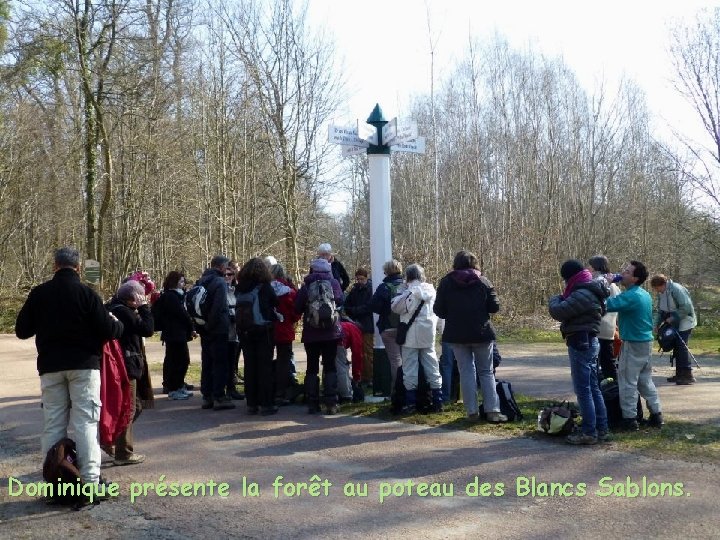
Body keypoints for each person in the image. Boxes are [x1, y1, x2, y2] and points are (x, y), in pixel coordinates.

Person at [15, 247, 124, 486]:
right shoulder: (87, 294)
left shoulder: (39, 294)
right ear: (78, 268)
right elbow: (109, 330)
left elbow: (22, 330)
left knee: (53, 423)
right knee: (85, 422)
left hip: (51, 366)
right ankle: (90, 481)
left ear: (55, 266)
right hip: (84, 366)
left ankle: (55, 481)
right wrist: (117, 324)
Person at [434, 250, 507, 423]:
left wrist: (453, 312)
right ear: (474, 263)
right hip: (482, 332)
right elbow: (494, 307)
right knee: (486, 372)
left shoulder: (446, 282)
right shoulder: (483, 281)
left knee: (466, 371)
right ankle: (492, 411)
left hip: (457, 334)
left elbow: (438, 310)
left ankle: (471, 411)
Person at [548, 259, 610, 445]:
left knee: (583, 390)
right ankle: (601, 429)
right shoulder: (591, 289)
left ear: (570, 277)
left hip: (581, 341)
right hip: (590, 340)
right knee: (593, 387)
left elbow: (559, 311)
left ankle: (589, 432)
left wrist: (555, 298)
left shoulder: (583, 292)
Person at [606, 260, 664, 430]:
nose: (622, 273)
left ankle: (629, 420)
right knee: (645, 381)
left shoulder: (631, 296)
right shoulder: (643, 294)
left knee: (627, 381)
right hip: (646, 342)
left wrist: (607, 285)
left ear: (635, 278)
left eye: (627, 272)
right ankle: (656, 415)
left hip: (633, 343)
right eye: (624, 270)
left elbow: (606, 306)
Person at [107, 280, 155, 465]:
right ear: (133, 298)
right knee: (129, 408)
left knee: (134, 406)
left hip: (125, 363)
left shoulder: (115, 307)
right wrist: (144, 308)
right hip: (127, 364)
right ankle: (123, 451)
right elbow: (148, 329)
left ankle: (114, 441)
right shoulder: (123, 312)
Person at [390, 264, 443, 413]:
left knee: (410, 370)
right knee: (432, 367)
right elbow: (439, 314)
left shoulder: (409, 293)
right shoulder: (432, 291)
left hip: (410, 336)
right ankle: (438, 401)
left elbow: (395, 307)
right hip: (428, 335)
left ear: (408, 277)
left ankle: (411, 403)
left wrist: (403, 290)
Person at [295, 258, 344, 414]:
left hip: (311, 333)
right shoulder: (334, 283)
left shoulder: (307, 285)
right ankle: (331, 403)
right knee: (330, 366)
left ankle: (312, 403)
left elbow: (297, 307)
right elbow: (341, 300)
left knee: (311, 367)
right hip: (331, 332)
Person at [236, 257, 279, 415]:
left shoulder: (240, 287)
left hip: (245, 331)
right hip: (263, 330)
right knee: (264, 367)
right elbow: (275, 302)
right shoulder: (265, 287)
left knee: (250, 366)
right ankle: (266, 403)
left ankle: (251, 403)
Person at [197, 255, 235, 411]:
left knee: (207, 361)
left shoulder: (201, 281)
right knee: (220, 362)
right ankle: (219, 396)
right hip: (217, 328)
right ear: (221, 267)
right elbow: (219, 307)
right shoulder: (219, 282)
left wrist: (204, 326)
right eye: (226, 267)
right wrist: (212, 325)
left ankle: (207, 396)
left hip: (204, 327)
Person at [650, 274, 698, 385]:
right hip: (673, 321)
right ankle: (679, 374)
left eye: (657, 288)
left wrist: (673, 317)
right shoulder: (662, 293)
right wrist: (656, 324)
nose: (657, 291)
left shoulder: (676, 289)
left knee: (682, 346)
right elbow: (661, 311)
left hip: (686, 321)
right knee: (676, 346)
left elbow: (686, 307)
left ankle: (687, 375)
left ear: (662, 284)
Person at [155, 271, 195, 400]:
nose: (183, 284)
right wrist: (191, 326)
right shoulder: (171, 296)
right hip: (174, 333)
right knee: (179, 360)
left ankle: (178, 385)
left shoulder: (174, 296)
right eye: (181, 282)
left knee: (179, 360)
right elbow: (181, 314)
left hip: (176, 333)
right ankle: (174, 388)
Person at [269, 263, 302, 404]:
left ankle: (267, 390)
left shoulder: (264, 289)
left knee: (266, 360)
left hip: (267, 329)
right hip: (284, 329)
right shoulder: (289, 291)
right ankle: (281, 392)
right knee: (284, 361)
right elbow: (296, 311)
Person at [370, 259, 404, 394]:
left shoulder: (383, 287)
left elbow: (373, 306)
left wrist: (385, 311)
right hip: (405, 328)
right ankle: (410, 389)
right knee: (408, 359)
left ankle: (397, 391)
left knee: (395, 361)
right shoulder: (406, 286)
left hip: (388, 328)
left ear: (386, 272)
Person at [588, 255, 621, 380]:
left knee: (606, 361)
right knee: (606, 360)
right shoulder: (612, 285)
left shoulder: (604, 284)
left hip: (602, 326)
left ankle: (612, 388)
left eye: (590, 266)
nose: (588, 269)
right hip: (608, 326)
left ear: (596, 267)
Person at [343, 268, 374, 387]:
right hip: (356, 324)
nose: (360, 281)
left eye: (362, 279)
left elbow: (368, 307)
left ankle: (369, 377)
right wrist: (352, 311)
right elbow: (347, 305)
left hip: (367, 324)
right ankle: (361, 376)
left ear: (366, 278)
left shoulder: (370, 289)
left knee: (368, 352)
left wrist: (354, 311)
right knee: (358, 352)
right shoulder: (355, 290)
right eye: (358, 279)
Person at [224, 261, 245, 400]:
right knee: (227, 359)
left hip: (236, 328)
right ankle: (229, 387)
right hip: (226, 328)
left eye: (232, 273)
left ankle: (232, 382)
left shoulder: (237, 286)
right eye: (227, 273)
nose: (230, 276)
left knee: (234, 357)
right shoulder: (222, 288)